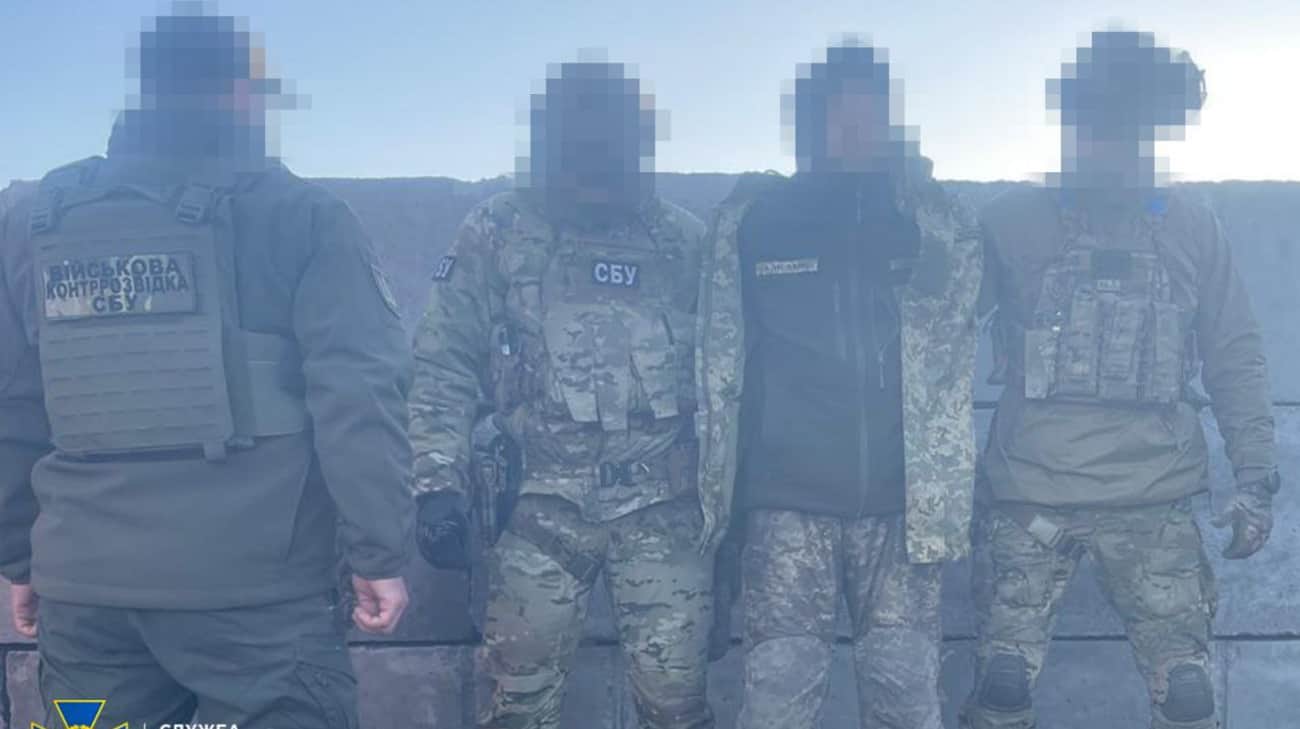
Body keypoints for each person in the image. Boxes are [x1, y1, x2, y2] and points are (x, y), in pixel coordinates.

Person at [0, 6, 414, 728]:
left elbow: (15, 402)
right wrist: (377, 553)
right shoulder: (304, 216)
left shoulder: (36, 222)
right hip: (257, 603)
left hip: (87, 596)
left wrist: (21, 557)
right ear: (243, 93)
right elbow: (359, 397)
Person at [962, 30, 1278, 729]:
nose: (1114, 143)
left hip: (1152, 502)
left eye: (1132, 126)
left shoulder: (1192, 227)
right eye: (1099, 122)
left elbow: (1234, 354)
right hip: (1030, 501)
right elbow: (935, 339)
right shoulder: (1010, 223)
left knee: (1188, 695)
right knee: (1002, 687)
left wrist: (1255, 476)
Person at [409, 58, 737, 729]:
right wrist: (437, 484)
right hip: (534, 508)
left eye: (613, 130)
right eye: (578, 129)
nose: (596, 146)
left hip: (663, 511)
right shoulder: (499, 228)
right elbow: (444, 361)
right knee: (516, 707)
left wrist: (731, 515)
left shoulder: (683, 241)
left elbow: (728, 380)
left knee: (678, 708)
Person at [709, 39, 983, 729]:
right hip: (786, 509)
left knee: (908, 707)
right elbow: (720, 359)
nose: (856, 127)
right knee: (775, 706)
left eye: (872, 112)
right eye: (839, 112)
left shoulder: (930, 222)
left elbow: (966, 308)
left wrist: (917, 196)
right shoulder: (758, 221)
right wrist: (722, 505)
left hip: (901, 515)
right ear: (809, 122)